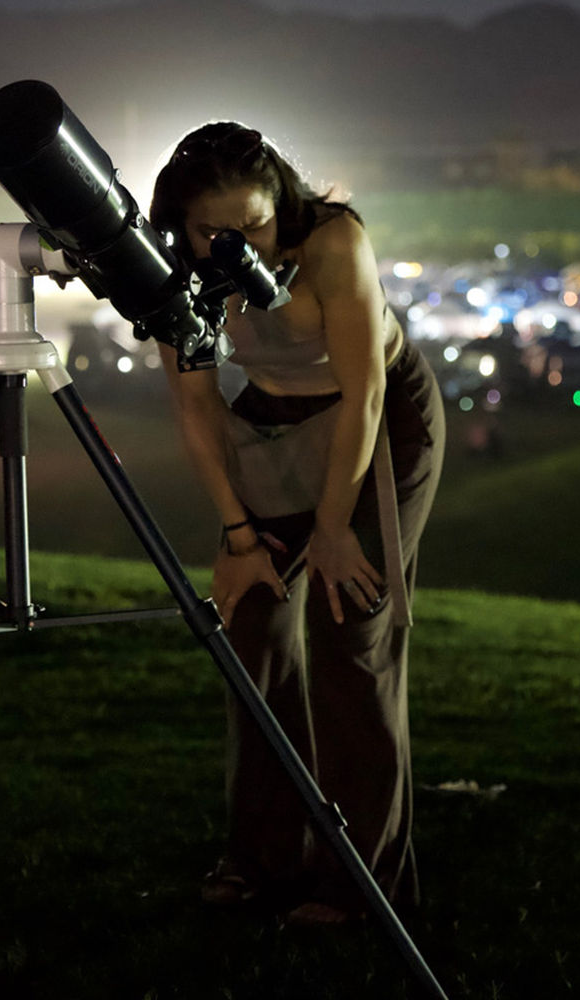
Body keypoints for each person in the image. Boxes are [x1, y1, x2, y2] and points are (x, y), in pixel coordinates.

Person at [149, 122, 445, 923]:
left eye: (253, 226)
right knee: (253, 623)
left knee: (350, 625)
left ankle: (361, 883)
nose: (236, 245)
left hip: (378, 419)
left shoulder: (333, 241)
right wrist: (239, 538)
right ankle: (262, 856)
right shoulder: (173, 269)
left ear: (281, 202)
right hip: (271, 418)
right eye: (213, 232)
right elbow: (196, 406)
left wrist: (337, 526)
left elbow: (366, 395)